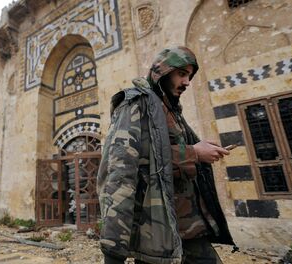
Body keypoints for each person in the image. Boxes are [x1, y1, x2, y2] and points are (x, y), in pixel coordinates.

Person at [97, 46, 236, 264]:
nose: (187, 82)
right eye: (182, 74)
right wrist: (114, 249)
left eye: (189, 76)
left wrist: (197, 147)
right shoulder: (136, 103)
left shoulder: (169, 109)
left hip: (186, 228)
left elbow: (163, 151)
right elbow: (122, 169)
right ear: (162, 73)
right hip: (155, 231)